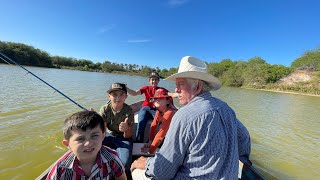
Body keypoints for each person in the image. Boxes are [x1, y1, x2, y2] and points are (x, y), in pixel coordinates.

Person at [130, 56, 251, 179]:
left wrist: (146, 163)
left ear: (198, 86)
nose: (176, 90)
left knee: (136, 171)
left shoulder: (183, 115)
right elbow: (244, 137)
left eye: (180, 84)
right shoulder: (226, 108)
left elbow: (163, 172)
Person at [46, 110, 126, 180]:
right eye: (80, 139)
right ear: (67, 144)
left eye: (94, 136)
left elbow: (121, 178)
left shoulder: (112, 158)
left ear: (103, 136)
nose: (88, 143)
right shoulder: (60, 168)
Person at [99, 82, 134, 173]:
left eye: (121, 94)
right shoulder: (104, 109)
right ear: (109, 96)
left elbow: (128, 136)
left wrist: (126, 129)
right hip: (108, 135)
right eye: (114, 94)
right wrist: (96, 123)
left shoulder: (129, 111)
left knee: (124, 164)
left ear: (126, 97)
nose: (118, 98)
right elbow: (101, 132)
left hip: (123, 138)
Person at [126, 72, 161, 142]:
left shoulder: (161, 90)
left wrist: (178, 94)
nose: (154, 81)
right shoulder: (146, 88)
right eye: (152, 79)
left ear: (158, 81)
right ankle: (138, 141)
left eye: (156, 79)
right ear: (149, 81)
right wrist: (126, 88)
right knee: (141, 122)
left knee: (160, 122)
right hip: (145, 108)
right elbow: (135, 93)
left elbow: (170, 95)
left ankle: (154, 141)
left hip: (155, 109)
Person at [141, 88, 177, 154]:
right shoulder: (159, 111)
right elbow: (153, 125)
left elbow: (161, 134)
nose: (157, 100)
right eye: (155, 98)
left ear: (168, 101)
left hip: (176, 139)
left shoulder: (169, 113)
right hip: (167, 135)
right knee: (149, 142)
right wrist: (150, 141)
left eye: (161, 98)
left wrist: (150, 151)